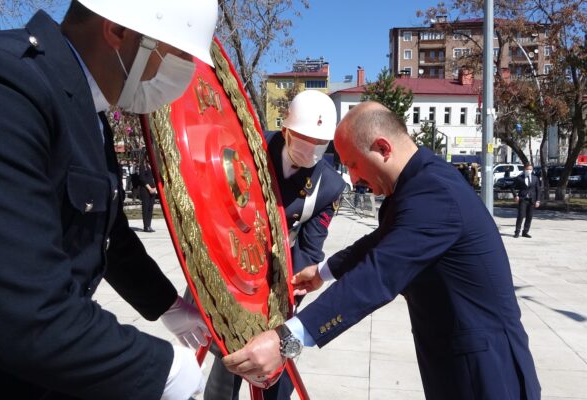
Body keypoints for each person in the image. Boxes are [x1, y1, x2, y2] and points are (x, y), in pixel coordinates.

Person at [0, 1, 219, 399]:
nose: (180, 75)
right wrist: (161, 369)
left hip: (18, 368)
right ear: (117, 31)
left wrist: (167, 304)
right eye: (176, 56)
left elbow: (106, 234)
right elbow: (23, 311)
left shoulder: (79, 106)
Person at [222, 102, 541, 400]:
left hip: (486, 371)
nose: (356, 179)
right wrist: (323, 272)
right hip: (458, 360)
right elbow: (381, 242)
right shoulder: (421, 180)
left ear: (382, 148)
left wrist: (285, 340)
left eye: (354, 165)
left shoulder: (434, 193)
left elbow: (378, 276)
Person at [202, 90, 346, 400]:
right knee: (228, 357)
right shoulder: (248, 147)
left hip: (280, 276)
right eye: (303, 138)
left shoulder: (330, 186)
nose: (311, 148)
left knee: (275, 360)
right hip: (230, 265)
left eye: (320, 142)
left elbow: (310, 246)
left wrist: (287, 289)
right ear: (285, 130)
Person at [511, 163, 542, 238]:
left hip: (532, 200)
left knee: (529, 216)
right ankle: (517, 232)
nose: (529, 171)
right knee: (521, 216)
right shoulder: (519, 178)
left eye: (531, 169)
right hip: (523, 199)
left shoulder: (535, 178)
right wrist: (516, 196)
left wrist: (538, 200)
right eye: (528, 169)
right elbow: (512, 187)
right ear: (525, 169)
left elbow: (538, 190)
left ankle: (525, 232)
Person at [139, 159, 158, 232]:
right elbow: (142, 178)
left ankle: (149, 225)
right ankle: (146, 226)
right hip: (145, 190)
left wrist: (155, 188)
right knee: (145, 208)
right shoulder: (143, 166)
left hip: (153, 189)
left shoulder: (154, 166)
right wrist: (149, 188)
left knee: (150, 208)